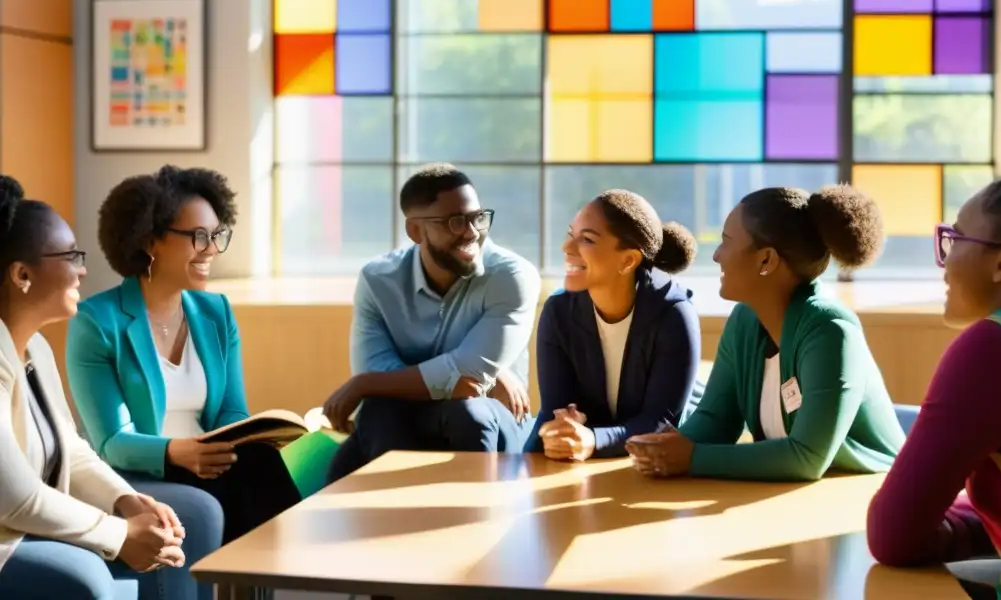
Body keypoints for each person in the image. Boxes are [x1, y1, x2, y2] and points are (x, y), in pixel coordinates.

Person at [64, 166, 300, 558]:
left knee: (261, 461)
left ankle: (269, 578)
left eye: (216, 235)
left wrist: (234, 442)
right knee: (253, 486)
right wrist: (176, 452)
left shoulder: (216, 312)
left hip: (208, 463)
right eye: (198, 237)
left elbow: (231, 412)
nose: (211, 249)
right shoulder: (96, 322)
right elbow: (109, 442)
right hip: (140, 471)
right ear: (150, 241)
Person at [626, 184, 904, 482]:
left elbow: (807, 458)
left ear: (766, 260)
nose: (717, 255)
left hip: (873, 494)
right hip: (792, 501)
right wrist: (670, 446)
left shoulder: (830, 331)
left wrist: (692, 458)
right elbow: (717, 420)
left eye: (726, 241)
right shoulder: (744, 320)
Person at [0, 174, 190, 600]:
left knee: (176, 525)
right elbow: (15, 500)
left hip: (31, 526)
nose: (83, 268)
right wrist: (119, 534)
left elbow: (73, 448)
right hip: (7, 541)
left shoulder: (36, 346)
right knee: (84, 575)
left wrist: (126, 500)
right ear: (23, 275)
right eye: (70, 255)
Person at [867, 156, 1001, 600]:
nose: (946, 259)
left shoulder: (996, 348)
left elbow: (893, 535)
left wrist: (957, 527)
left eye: (955, 238)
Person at [325, 164, 542, 481]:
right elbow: (380, 370)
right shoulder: (378, 280)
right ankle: (397, 521)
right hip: (403, 415)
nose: (471, 232)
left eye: (477, 218)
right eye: (454, 222)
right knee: (376, 414)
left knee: (469, 412)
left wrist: (365, 385)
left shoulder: (512, 276)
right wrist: (487, 376)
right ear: (415, 231)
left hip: (491, 417)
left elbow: (466, 375)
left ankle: (474, 521)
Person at [524, 190, 703, 461]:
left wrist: (593, 439)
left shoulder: (674, 314)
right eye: (571, 234)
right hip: (590, 461)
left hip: (665, 464)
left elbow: (661, 422)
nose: (567, 248)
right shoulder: (558, 312)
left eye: (587, 239)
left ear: (628, 260)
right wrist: (560, 429)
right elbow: (553, 410)